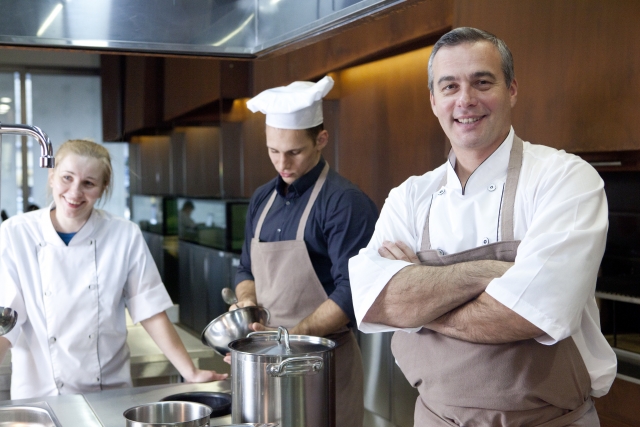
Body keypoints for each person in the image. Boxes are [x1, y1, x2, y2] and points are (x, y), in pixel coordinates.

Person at [349, 27, 617, 426]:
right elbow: (378, 303)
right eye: (450, 86)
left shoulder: (565, 179)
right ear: (434, 101)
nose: (465, 100)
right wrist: (490, 274)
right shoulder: (410, 196)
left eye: (482, 82)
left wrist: (417, 301)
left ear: (511, 90)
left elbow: (529, 315)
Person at [0, 139, 227, 400]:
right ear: (51, 176)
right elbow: (7, 321)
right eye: (66, 178)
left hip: (107, 393)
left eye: (88, 183)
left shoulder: (123, 234)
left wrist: (190, 371)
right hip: (39, 394)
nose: (75, 193)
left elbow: (149, 309)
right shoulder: (16, 233)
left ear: (103, 187)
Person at [231, 76, 378, 427]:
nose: (283, 163)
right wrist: (247, 308)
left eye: (294, 152)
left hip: (321, 363)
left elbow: (353, 291)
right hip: (267, 360)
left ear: (321, 140)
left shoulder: (344, 202)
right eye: (273, 151)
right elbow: (245, 269)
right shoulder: (262, 199)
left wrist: (290, 341)